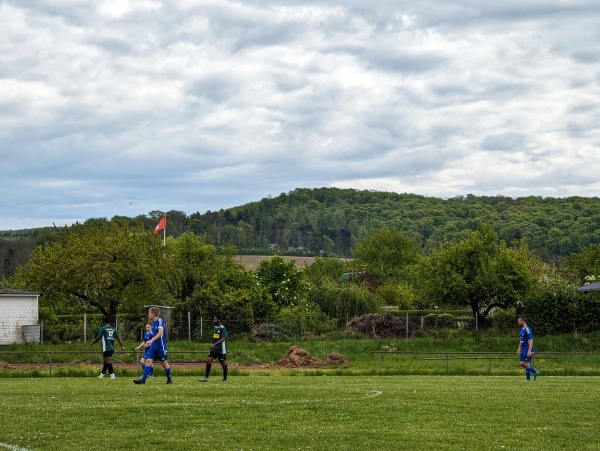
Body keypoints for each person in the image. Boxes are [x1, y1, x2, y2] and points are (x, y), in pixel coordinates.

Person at [134, 307, 172, 384]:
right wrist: (149, 342)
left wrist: (151, 340)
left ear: (153, 314)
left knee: (164, 364)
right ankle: (143, 380)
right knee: (148, 361)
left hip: (160, 347)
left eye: (149, 313)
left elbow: (160, 333)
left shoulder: (160, 321)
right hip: (153, 347)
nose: (148, 315)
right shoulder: (153, 323)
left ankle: (169, 380)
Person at [199, 316, 228, 382]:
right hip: (214, 349)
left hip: (221, 349)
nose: (213, 320)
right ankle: (206, 377)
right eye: (213, 319)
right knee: (209, 360)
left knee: (223, 363)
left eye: (215, 319)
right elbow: (215, 338)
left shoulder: (223, 328)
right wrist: (212, 345)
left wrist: (214, 344)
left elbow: (224, 338)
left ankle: (225, 378)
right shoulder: (215, 328)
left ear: (218, 319)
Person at [517, 316, 539, 381]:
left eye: (519, 321)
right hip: (523, 348)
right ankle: (535, 371)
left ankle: (528, 379)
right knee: (521, 363)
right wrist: (519, 348)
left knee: (526, 363)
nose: (518, 323)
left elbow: (530, 340)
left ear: (523, 321)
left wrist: (529, 350)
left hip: (527, 348)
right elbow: (521, 340)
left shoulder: (528, 329)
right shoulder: (521, 330)